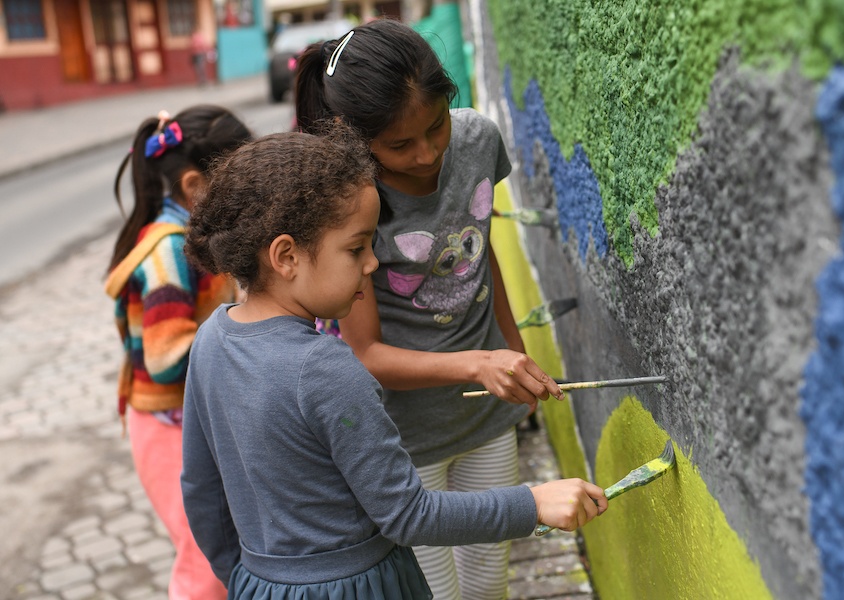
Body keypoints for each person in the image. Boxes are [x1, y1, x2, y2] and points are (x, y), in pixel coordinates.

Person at [179, 126, 607, 599]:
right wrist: (533, 503)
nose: (372, 265)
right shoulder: (327, 369)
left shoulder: (211, 340)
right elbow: (408, 514)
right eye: (356, 247)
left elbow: (202, 490)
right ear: (286, 256)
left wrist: (245, 579)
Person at [293, 17, 563, 599]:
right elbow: (364, 353)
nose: (426, 153)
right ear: (356, 138)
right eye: (399, 145)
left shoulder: (478, 141)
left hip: (485, 417)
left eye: (436, 126)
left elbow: (476, 250)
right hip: (401, 438)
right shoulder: (351, 199)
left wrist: (514, 351)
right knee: (434, 592)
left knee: (489, 581)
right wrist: (478, 363)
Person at [104, 105, 252, 600]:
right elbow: (168, 355)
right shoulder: (169, 251)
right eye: (237, 187)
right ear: (194, 188)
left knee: (224, 544)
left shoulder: (197, 239)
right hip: (166, 426)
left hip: (190, 418)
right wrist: (248, 339)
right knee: (205, 557)